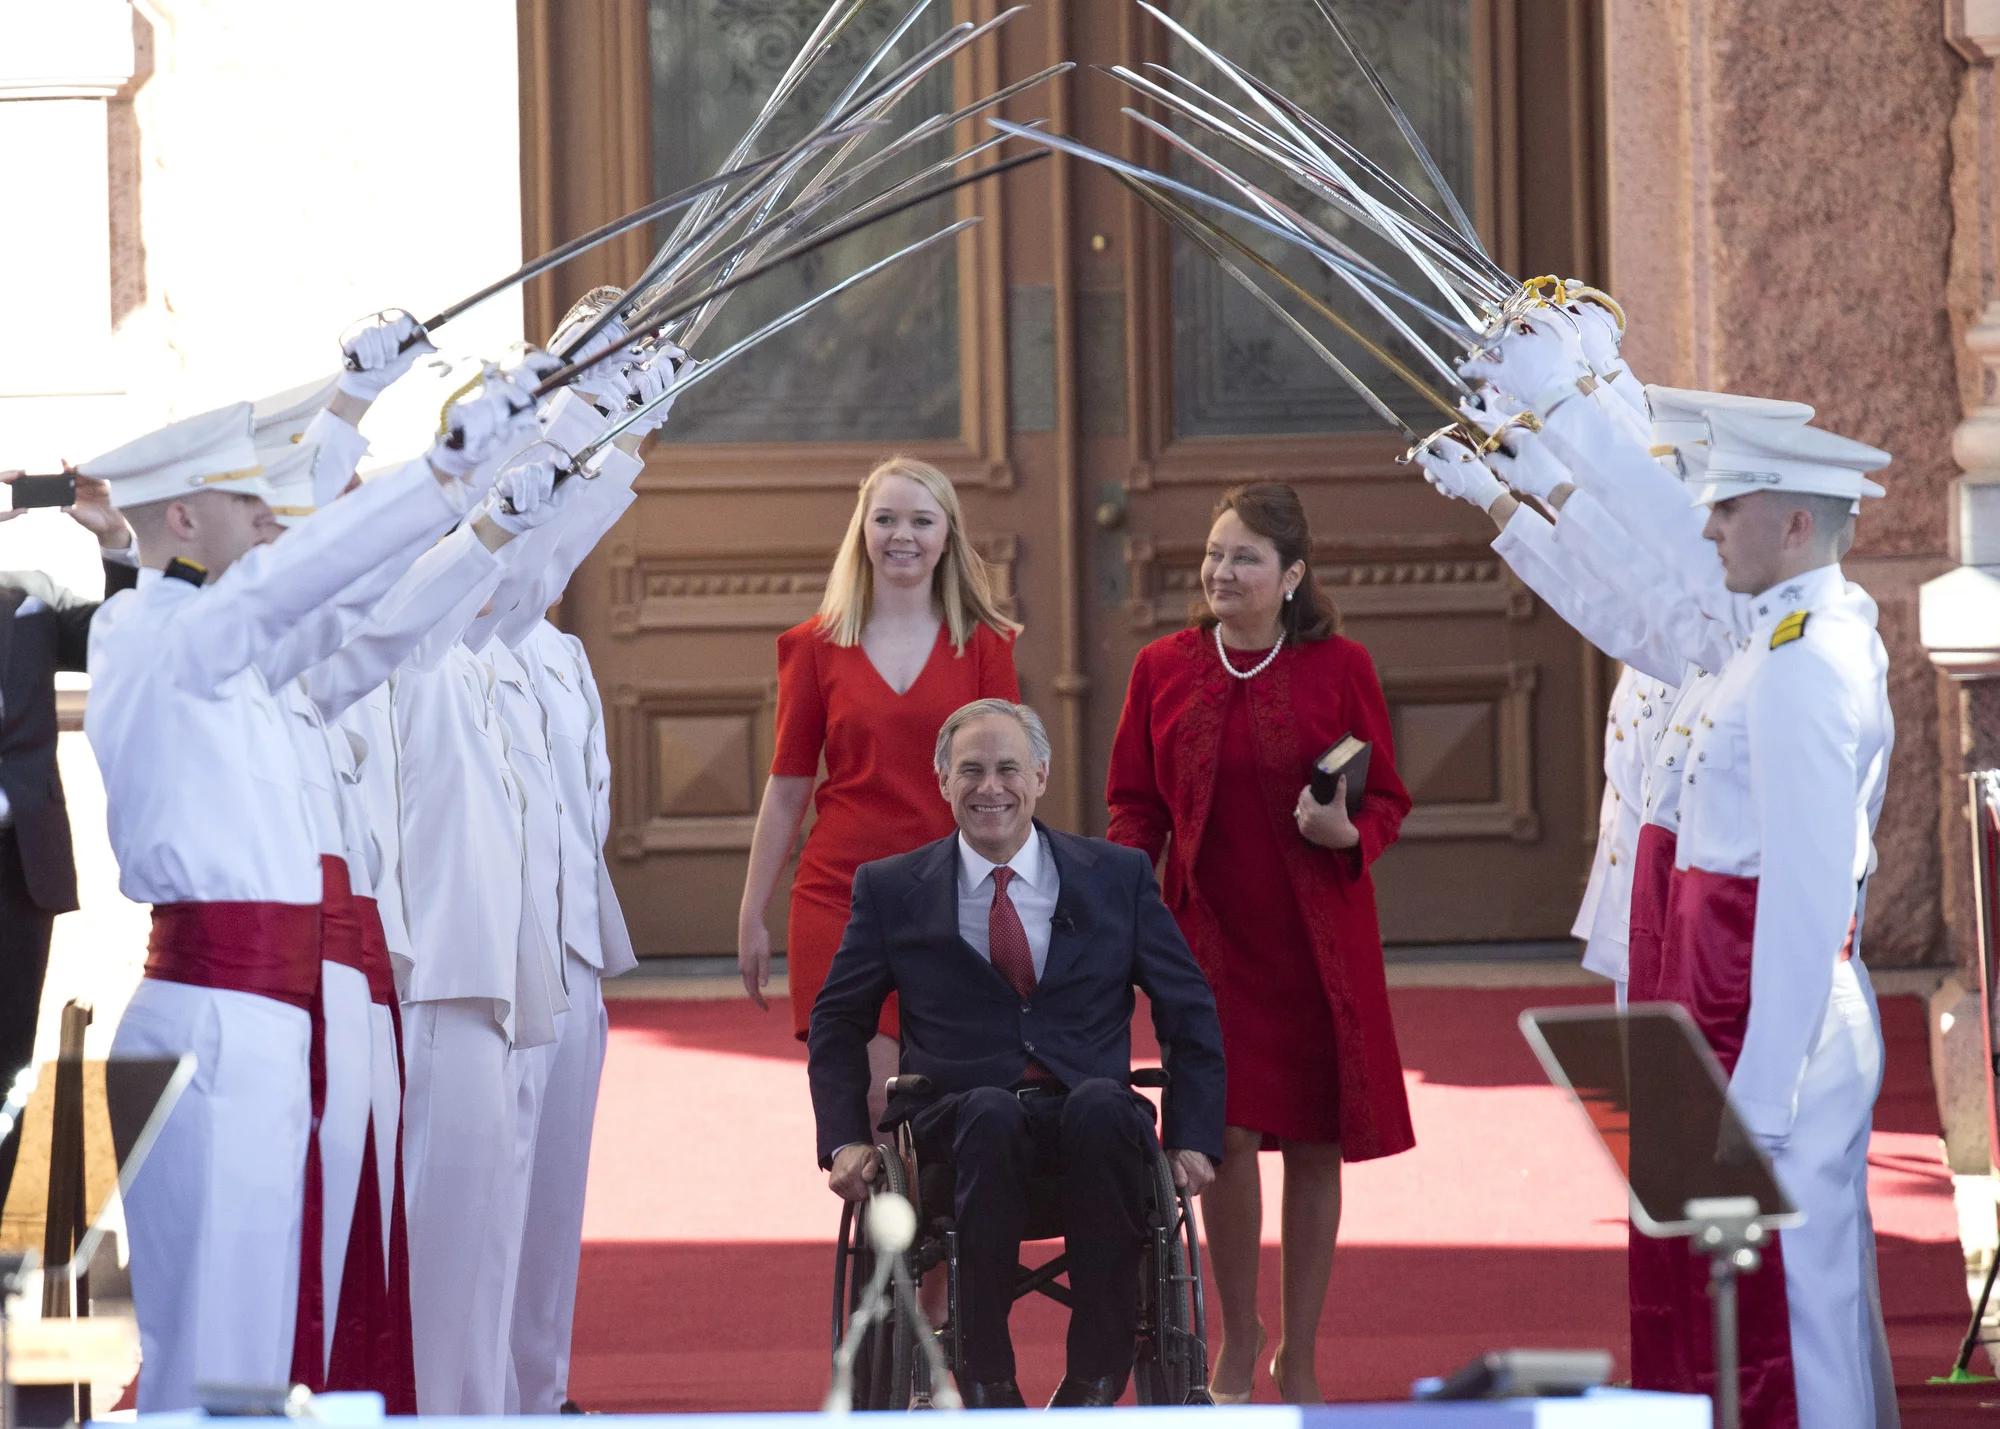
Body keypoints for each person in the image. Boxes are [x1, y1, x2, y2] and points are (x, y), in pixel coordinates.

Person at [83, 369, 532, 1412]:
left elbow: (358, 608)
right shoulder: (161, 633)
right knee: (221, 1346)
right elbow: (292, 582)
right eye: (248, 499)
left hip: (261, 1013)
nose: (270, 514)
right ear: (184, 517)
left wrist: (487, 503)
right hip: (216, 1012)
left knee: (249, 1338)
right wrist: (440, 470)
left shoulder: (232, 657)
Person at [807, 698, 1225, 1409]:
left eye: (1008, 768)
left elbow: (1189, 1007)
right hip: (959, 1126)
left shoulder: (1115, 876)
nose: (990, 787)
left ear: (1041, 776)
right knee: (991, 1113)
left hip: (1091, 1124)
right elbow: (837, 1018)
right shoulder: (892, 889)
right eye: (971, 770)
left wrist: (1193, 1138)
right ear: (943, 780)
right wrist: (845, 1139)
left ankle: (1096, 1377)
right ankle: (988, 1379)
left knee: (1103, 1105)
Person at [1105, 482, 1414, 1405]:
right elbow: (1134, 804)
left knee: (1316, 1141)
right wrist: (1121, 908)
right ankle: (1240, 1337)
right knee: (1223, 1135)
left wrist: (1349, 834)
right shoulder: (1160, 667)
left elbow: (1386, 797)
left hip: (1318, 942)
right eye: (1214, 553)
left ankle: (1301, 1352)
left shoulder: (1341, 665)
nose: (1222, 571)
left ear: (1291, 575)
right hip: (1207, 937)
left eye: (1245, 556)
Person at [739, 457, 1021, 1120]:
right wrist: (752, 910)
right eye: (885, 518)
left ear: (947, 536)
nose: (903, 535)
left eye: (922, 521)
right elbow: (788, 785)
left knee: (948, 1104)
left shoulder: (986, 645)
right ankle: (878, 1194)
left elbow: (1009, 785)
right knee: (873, 1097)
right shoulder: (814, 647)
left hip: (954, 893)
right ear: (861, 530)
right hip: (843, 895)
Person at [0, 468, 136, 1205]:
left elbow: (127, 639)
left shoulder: (28, 601)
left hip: (19, 868)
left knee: (10, 1066)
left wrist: (113, 539)